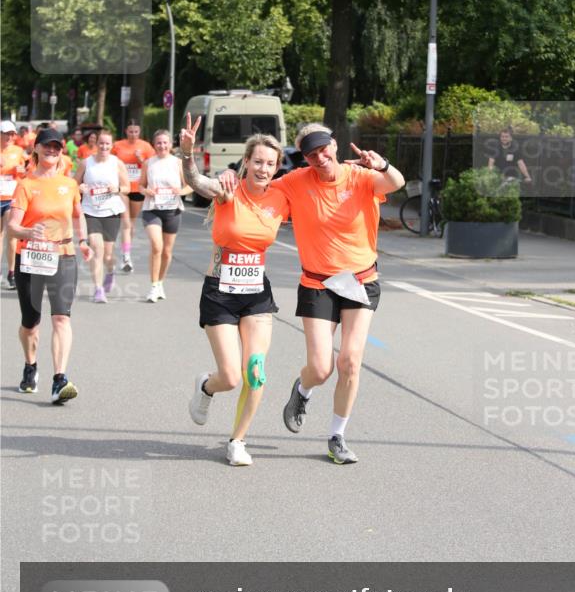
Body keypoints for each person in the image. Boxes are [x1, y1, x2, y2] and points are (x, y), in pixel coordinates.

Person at [221, 122, 405, 465]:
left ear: (334, 146)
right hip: (318, 282)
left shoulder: (360, 176)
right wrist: (227, 174)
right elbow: (258, 187)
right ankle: (302, 390)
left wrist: (381, 165)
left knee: (350, 361)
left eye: (324, 149)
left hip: (361, 281)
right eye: (311, 153)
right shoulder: (295, 181)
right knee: (321, 368)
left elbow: (395, 183)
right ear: (304, 157)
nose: (320, 157)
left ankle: (337, 436)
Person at [180, 115, 290, 466]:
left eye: (270, 163)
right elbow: (195, 181)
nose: (263, 168)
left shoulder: (281, 198)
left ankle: (237, 441)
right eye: (257, 161)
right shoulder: (228, 189)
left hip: (256, 291)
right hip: (220, 289)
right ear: (246, 162)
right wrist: (187, 154)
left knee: (255, 369)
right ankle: (206, 387)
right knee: (229, 376)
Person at [7, 127, 93, 403]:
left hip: (63, 256)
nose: (52, 151)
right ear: (37, 149)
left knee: (61, 317)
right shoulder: (26, 184)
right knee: (31, 324)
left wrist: (84, 241)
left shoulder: (69, 185)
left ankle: (59, 379)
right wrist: (26, 232)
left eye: (57, 147)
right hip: (31, 257)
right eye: (47, 146)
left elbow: (78, 216)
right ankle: (30, 366)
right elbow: (12, 226)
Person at [76, 128, 130, 303]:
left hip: (111, 212)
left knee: (108, 255)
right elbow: (74, 184)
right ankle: (98, 289)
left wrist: (118, 189)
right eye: (101, 143)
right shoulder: (86, 163)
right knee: (97, 250)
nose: (104, 146)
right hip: (90, 212)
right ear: (96, 143)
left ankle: (110, 271)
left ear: (112, 145)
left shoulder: (117, 163)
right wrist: (80, 187)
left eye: (107, 143)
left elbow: (128, 188)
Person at [138, 129, 191, 302]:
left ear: (170, 144)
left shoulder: (177, 163)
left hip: (172, 210)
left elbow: (190, 186)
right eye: (159, 143)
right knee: (156, 245)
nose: (162, 146)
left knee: (167, 252)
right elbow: (140, 186)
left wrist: (181, 191)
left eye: (165, 142)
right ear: (154, 145)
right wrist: (147, 191)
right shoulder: (148, 163)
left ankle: (160, 283)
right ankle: (153, 287)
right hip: (152, 208)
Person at [112, 121, 155, 272]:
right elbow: (109, 163)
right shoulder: (118, 145)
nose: (133, 134)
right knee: (126, 222)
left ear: (139, 132)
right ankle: (126, 257)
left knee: (131, 223)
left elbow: (152, 166)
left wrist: (141, 159)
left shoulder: (145, 146)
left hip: (138, 188)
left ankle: (126, 250)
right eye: (130, 131)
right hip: (123, 188)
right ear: (126, 131)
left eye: (136, 132)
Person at [1, 120, 26, 289]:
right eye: (6, 134)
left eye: (12, 134)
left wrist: (21, 170)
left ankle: (11, 273)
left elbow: (25, 170)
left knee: (11, 237)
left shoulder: (18, 151)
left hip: (11, 197)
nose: (10, 137)